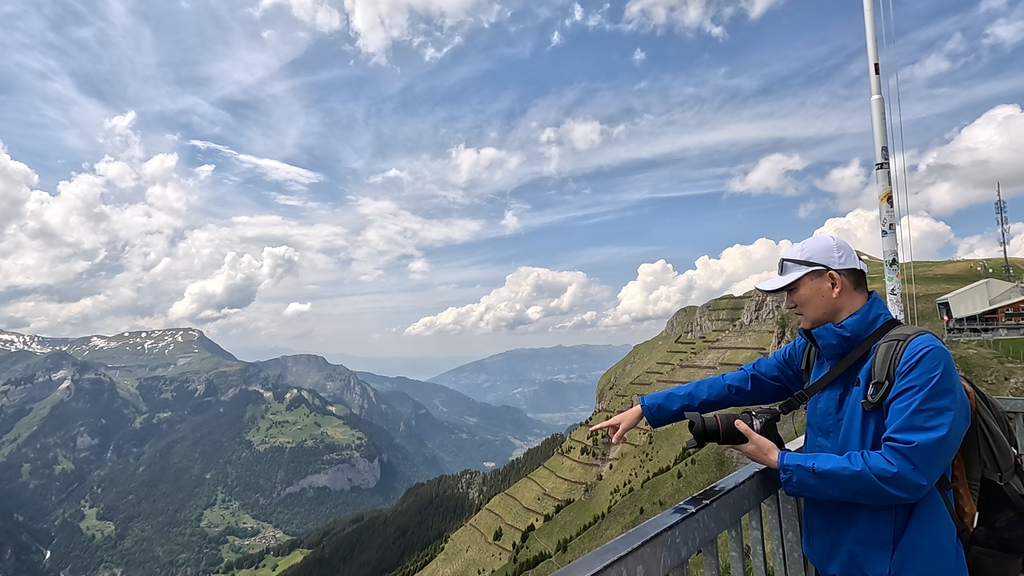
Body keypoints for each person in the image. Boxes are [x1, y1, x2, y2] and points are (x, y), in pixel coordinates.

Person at [591, 235, 971, 576]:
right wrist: (650, 407)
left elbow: (904, 471)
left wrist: (782, 461)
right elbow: (740, 382)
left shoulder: (919, 357)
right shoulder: (812, 350)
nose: (787, 304)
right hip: (834, 559)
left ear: (833, 282)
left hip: (908, 561)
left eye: (793, 290)